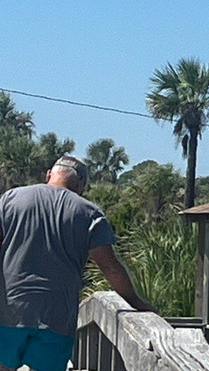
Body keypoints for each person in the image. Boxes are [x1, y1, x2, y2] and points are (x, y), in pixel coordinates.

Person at [0, 155, 152, 371]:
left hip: (8, 311)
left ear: (49, 175)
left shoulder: (11, 199)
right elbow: (110, 267)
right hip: (56, 317)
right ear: (81, 185)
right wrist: (135, 301)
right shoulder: (90, 214)